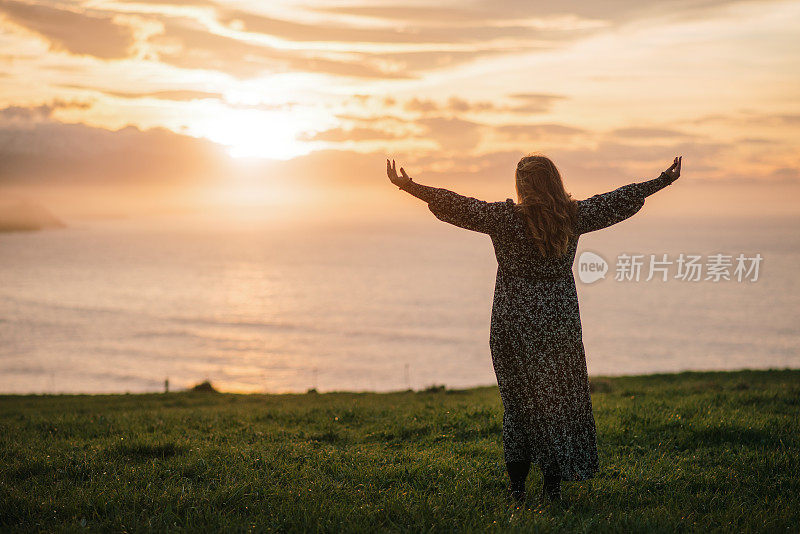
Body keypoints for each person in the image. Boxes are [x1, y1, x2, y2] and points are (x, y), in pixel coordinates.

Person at [386, 154, 682, 504]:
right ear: (555, 181)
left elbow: (457, 204)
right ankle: (552, 488)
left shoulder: (503, 219)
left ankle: (517, 491)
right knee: (556, 401)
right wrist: (661, 180)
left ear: (521, 185)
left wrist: (409, 186)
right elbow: (618, 199)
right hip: (559, 323)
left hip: (512, 321)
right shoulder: (573, 216)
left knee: (518, 404)